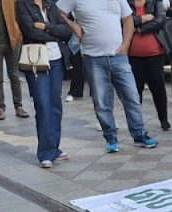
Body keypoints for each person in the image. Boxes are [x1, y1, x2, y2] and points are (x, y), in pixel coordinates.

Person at [56, 0, 158, 153]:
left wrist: (126, 45)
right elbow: (56, 10)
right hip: (93, 57)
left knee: (132, 97)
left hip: (118, 56)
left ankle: (139, 134)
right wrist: (73, 25)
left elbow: (128, 19)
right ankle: (110, 137)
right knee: (102, 102)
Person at [16, 0, 71, 167]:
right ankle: (45, 152)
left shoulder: (50, 4)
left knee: (55, 105)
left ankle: (54, 148)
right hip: (36, 60)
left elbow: (66, 31)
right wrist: (54, 32)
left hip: (56, 60)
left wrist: (46, 27)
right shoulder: (23, 4)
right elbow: (30, 32)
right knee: (42, 104)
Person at [127, 0, 169, 131]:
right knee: (135, 91)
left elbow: (160, 21)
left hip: (155, 53)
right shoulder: (126, 3)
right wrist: (144, 18)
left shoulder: (155, 2)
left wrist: (139, 29)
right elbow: (125, 21)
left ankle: (163, 118)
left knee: (158, 88)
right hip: (133, 54)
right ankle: (137, 122)